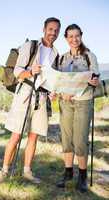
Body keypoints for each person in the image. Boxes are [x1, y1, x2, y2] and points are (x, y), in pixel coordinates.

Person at [0, 17, 61, 185]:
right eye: (50, 29)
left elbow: (52, 79)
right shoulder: (30, 46)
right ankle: (4, 171)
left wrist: (53, 92)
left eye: (56, 30)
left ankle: (27, 171)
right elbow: (17, 72)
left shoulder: (56, 54)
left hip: (42, 97)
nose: (53, 33)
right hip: (25, 93)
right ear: (44, 29)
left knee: (33, 136)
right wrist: (31, 71)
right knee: (16, 135)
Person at [56, 24, 99, 192]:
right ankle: (68, 173)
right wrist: (61, 93)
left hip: (83, 101)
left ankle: (82, 176)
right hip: (65, 102)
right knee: (67, 139)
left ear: (81, 36)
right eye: (70, 36)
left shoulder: (89, 56)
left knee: (80, 141)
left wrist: (93, 81)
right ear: (66, 38)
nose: (74, 39)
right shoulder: (62, 59)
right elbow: (59, 81)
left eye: (77, 36)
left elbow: (93, 77)